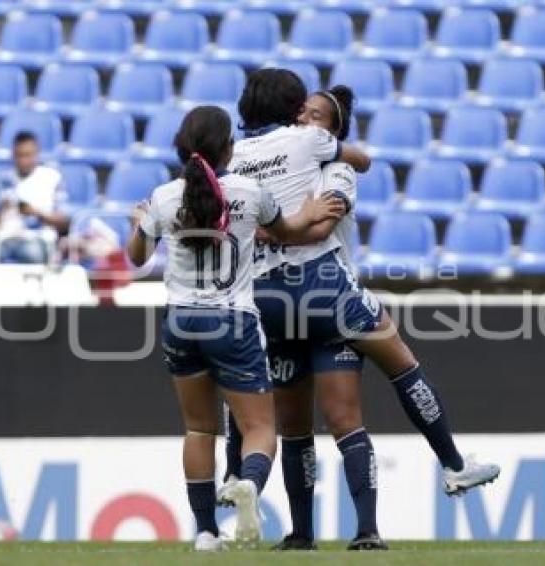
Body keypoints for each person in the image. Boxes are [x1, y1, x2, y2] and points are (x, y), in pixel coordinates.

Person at [223, 71, 501, 550]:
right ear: (293, 113)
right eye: (304, 111)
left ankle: (299, 522)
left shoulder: (234, 158)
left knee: (311, 418)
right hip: (324, 289)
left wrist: (263, 230)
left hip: (264, 297)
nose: (309, 118)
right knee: (399, 365)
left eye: (319, 115)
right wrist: (290, 223)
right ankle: (454, 465)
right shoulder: (317, 151)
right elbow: (323, 218)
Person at [127, 105, 347, 552]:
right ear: (228, 147)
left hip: (181, 320)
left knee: (199, 429)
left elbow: (136, 257)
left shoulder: (166, 196)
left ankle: (206, 532)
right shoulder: (250, 191)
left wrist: (138, 225)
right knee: (260, 427)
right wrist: (311, 212)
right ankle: (248, 483)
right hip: (233, 320)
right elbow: (284, 231)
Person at [0, 132, 68, 264]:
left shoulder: (52, 178)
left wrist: (36, 213)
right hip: (2, 238)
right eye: (19, 155)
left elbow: (64, 222)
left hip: (35, 238)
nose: (23, 161)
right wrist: (1, 209)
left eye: (28, 155)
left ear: (37, 154)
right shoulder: (1, 181)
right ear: (13, 155)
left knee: (32, 255)